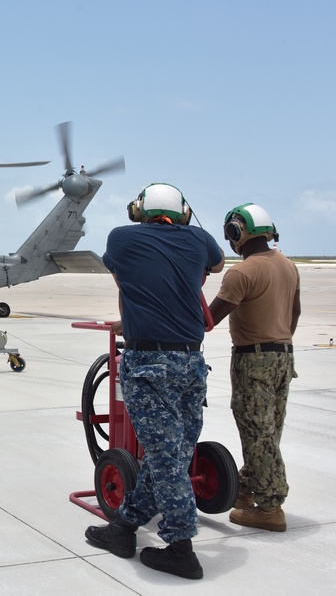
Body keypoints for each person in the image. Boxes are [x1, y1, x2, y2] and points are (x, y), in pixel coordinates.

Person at [85, 183, 224, 580]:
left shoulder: (122, 237)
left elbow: (123, 278)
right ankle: (124, 528)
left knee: (166, 458)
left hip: (148, 362)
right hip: (191, 363)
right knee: (174, 454)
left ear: (139, 211)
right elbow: (216, 265)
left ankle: (181, 547)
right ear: (182, 211)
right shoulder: (200, 239)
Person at [209, 203, 300, 532]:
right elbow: (296, 312)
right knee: (268, 430)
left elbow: (208, 320)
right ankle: (247, 488)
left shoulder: (242, 272)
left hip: (253, 358)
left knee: (257, 433)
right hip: (284, 355)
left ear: (236, 233)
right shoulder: (288, 265)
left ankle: (270, 506)